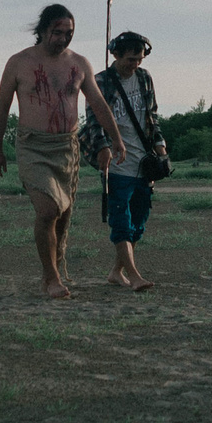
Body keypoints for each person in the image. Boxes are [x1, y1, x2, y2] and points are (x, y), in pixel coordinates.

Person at [0, 4, 127, 299]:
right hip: (33, 146)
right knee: (48, 209)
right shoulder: (18, 63)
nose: (63, 39)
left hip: (67, 147)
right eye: (57, 32)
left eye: (69, 33)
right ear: (42, 30)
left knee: (62, 215)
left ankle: (54, 269)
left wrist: (116, 139)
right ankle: (50, 277)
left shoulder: (79, 64)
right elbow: (2, 107)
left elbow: (98, 104)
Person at [79, 31, 167, 291]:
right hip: (116, 161)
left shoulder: (144, 78)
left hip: (143, 160)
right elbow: (94, 120)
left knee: (139, 220)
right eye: (130, 59)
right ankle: (135, 275)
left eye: (139, 59)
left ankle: (116, 272)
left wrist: (160, 144)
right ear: (115, 55)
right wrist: (103, 147)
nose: (134, 64)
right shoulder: (101, 82)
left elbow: (152, 114)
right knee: (121, 220)